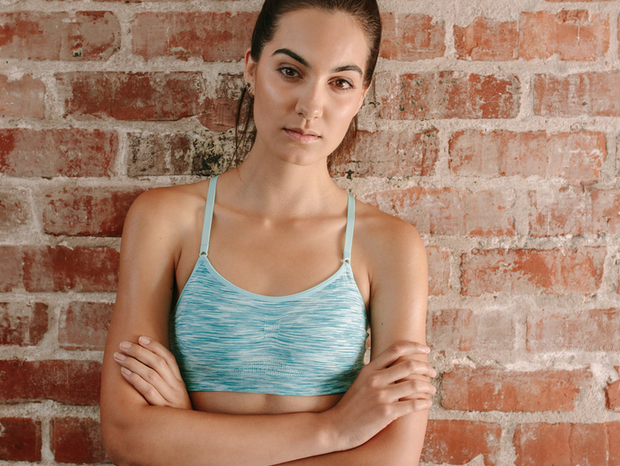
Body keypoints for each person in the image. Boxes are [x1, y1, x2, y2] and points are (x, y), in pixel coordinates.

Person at [100, 0, 434, 464]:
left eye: (340, 82)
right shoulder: (167, 220)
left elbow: (394, 457)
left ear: (361, 96)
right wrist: (334, 429)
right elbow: (127, 436)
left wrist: (188, 438)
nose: (310, 106)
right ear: (251, 70)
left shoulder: (391, 246)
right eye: (291, 72)